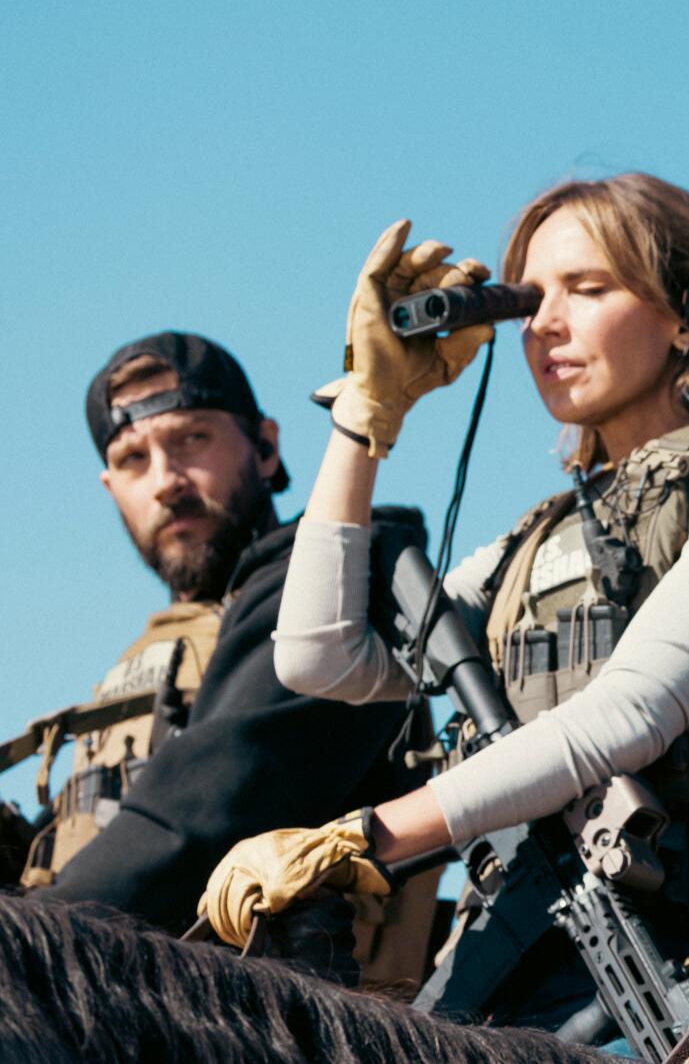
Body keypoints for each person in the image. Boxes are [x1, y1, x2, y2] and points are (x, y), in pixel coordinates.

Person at [200, 173, 689, 1043]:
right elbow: (316, 658)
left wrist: (366, 838)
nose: (546, 323)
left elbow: (628, 715)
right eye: (531, 300)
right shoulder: (527, 547)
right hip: (504, 984)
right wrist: (366, 416)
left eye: (588, 289)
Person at [4, 331, 435, 985]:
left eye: (192, 440)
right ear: (107, 486)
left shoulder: (330, 593)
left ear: (265, 446)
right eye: (132, 459)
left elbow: (204, 815)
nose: (166, 482)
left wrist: (24, 947)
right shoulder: (155, 656)